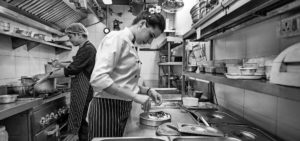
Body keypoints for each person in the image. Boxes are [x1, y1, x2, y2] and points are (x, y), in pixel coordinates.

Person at [88, 10, 165, 139]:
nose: (150, 42)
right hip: (106, 108)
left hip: (121, 108)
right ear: (142, 24)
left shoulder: (131, 45)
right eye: (151, 35)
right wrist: (135, 97)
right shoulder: (116, 38)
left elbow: (124, 82)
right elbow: (99, 79)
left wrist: (148, 91)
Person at [41, 23, 97, 141]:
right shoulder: (84, 48)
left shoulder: (88, 48)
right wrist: (59, 64)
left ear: (79, 35)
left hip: (85, 90)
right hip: (82, 89)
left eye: (71, 37)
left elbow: (73, 69)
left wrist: (50, 75)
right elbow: (75, 64)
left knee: (82, 121)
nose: (70, 40)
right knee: (81, 119)